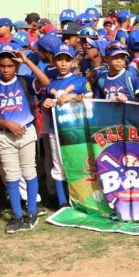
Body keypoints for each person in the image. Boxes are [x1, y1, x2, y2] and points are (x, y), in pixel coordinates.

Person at [0, 45, 51, 234]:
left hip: (26, 133)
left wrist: (27, 60)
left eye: (10, 65)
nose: (6, 69)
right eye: (2, 66)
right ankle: (16, 215)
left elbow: (45, 81)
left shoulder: (24, 81)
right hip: (4, 136)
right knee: (11, 176)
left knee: (29, 171)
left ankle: (32, 212)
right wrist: (7, 124)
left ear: (16, 66)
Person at [41, 44, 94, 207]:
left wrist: (72, 97)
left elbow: (91, 102)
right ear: (54, 61)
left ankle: (82, 199)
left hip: (77, 130)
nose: (63, 63)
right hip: (55, 130)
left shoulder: (81, 81)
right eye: (59, 59)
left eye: (67, 59)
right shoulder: (51, 85)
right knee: (58, 165)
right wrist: (47, 104)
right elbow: (46, 109)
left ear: (73, 62)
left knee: (79, 163)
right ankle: (62, 202)